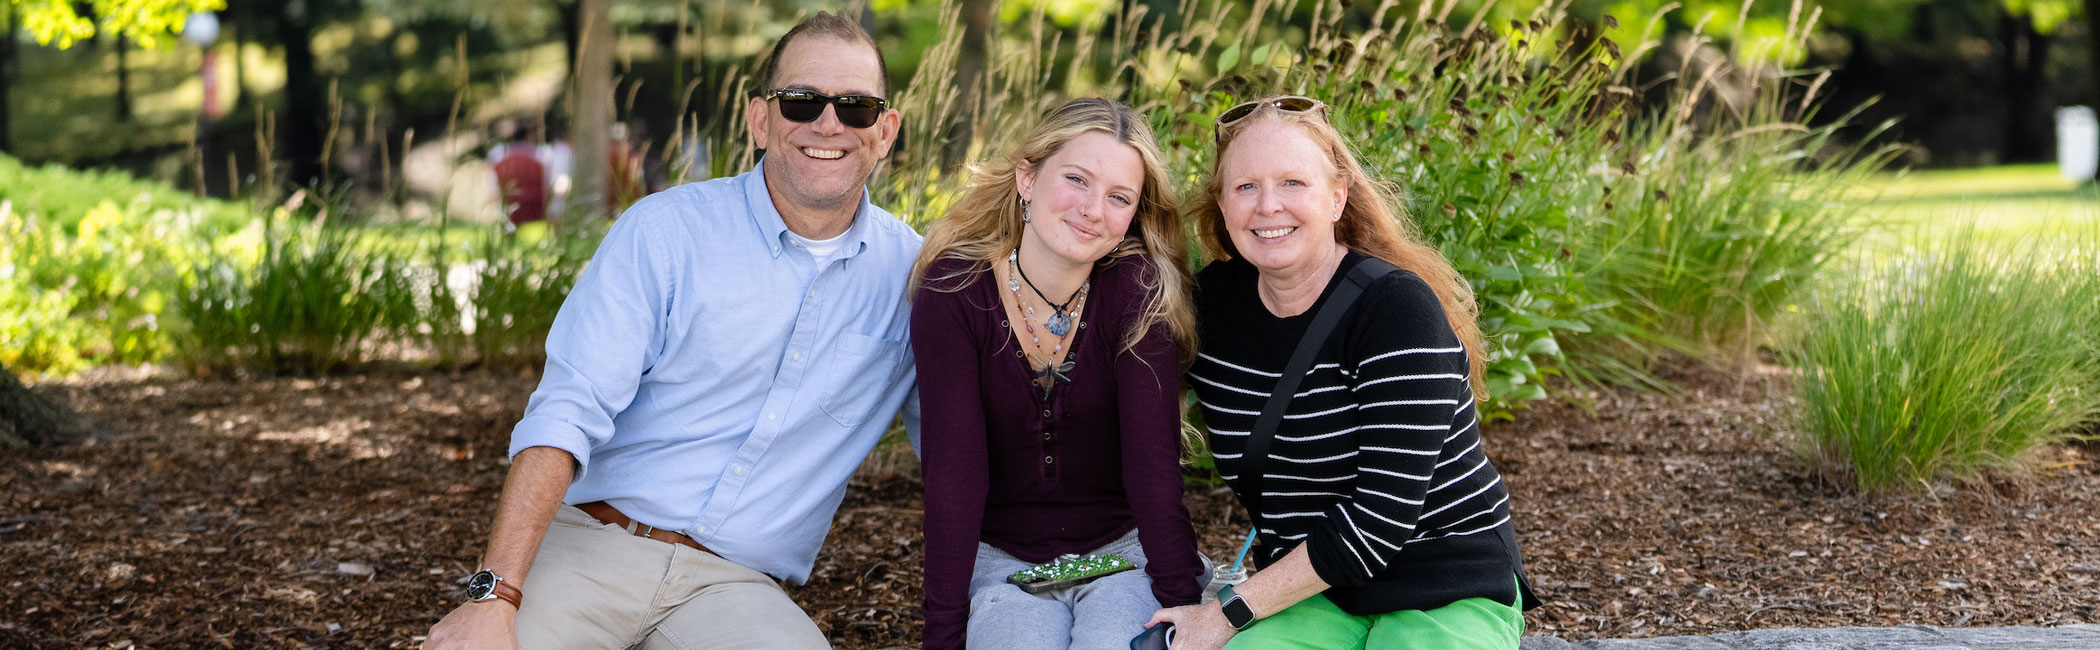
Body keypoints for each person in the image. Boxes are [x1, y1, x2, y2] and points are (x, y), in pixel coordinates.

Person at [422, 12, 918, 650]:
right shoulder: (665, 233)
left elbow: (966, 446)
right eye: (802, 101)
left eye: (855, 106)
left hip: (736, 591)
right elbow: (567, 412)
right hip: (595, 547)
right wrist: (497, 593)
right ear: (761, 120)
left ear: (885, 131)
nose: (828, 124)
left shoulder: (919, 280)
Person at [1145, 96, 1538, 650]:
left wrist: (1225, 613)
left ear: (1337, 198)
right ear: (1223, 204)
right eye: (1246, 187)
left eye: (1292, 184)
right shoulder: (1212, 305)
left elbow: (1377, 521)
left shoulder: (1395, 310)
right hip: (1313, 592)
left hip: (1446, 579)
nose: (1267, 206)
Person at [911, 98, 1206, 650]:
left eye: (1119, 197)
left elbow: (1153, 471)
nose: (1093, 209)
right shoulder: (954, 292)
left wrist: (1184, 605)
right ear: (1028, 176)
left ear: (1132, 217)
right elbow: (954, 476)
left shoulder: (1137, 292)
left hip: (1125, 555)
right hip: (1005, 565)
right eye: (1076, 179)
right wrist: (942, 637)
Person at [490, 123, 547, 226]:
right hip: (536, 204)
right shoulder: (541, 153)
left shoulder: (498, 153)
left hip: (508, 199)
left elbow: (492, 179)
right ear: (528, 136)